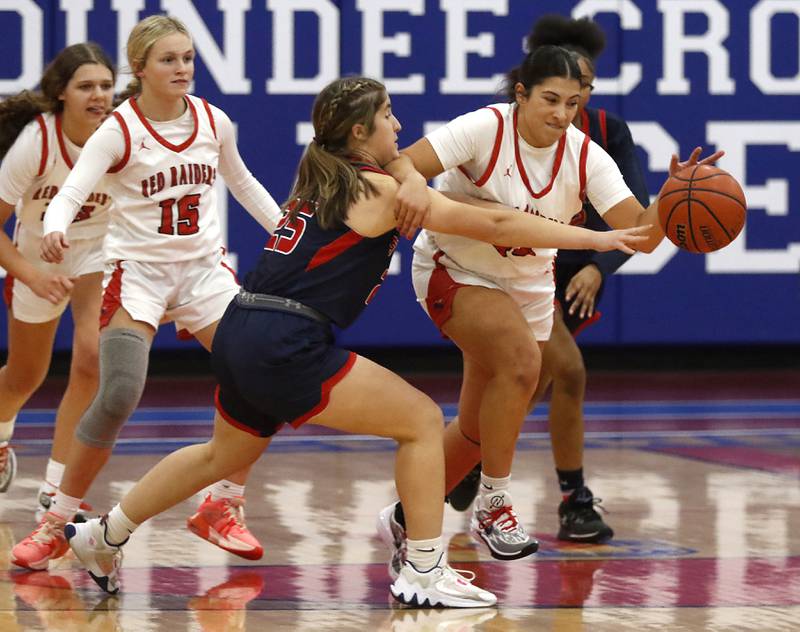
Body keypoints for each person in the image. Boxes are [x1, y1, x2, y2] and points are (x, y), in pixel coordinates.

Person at [62, 75, 646, 604]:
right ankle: (422, 569)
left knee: (224, 456)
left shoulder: (324, 177)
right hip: (284, 336)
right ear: (362, 131)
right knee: (419, 420)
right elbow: (493, 224)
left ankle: (103, 533)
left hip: (242, 323)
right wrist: (592, 240)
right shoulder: (376, 189)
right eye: (389, 115)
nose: (400, 125)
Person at [378, 44, 722, 564]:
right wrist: (414, 188)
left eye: (573, 104)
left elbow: (642, 236)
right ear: (522, 94)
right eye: (550, 100)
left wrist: (675, 198)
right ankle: (494, 503)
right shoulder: (485, 128)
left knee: (476, 431)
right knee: (522, 363)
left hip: (527, 287)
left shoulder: (585, 155)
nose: (562, 114)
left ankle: (405, 517)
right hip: (455, 271)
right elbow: (403, 163)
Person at [11, 15, 283, 570]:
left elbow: (245, 183)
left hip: (203, 275)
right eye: (169, 60)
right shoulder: (119, 128)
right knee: (116, 395)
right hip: (137, 275)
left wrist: (286, 234)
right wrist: (58, 223)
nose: (182, 67)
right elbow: (74, 187)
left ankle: (223, 504)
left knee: (264, 375)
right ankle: (57, 522)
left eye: (187, 57)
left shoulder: (213, 120)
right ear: (141, 69)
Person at [447, 14, 654, 544]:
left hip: (566, 270)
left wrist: (599, 265)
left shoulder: (601, 137)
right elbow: (415, 174)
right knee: (557, 372)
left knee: (527, 382)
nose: (571, 99)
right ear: (530, 87)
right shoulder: (492, 129)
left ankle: (470, 467)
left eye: (581, 89)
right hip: (501, 270)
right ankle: (571, 498)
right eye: (559, 90)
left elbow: (637, 223)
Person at [0, 43, 115, 520]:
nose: (99, 96)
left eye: (106, 86)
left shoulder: (121, 135)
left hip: (98, 250)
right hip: (36, 256)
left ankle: (55, 490)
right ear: (61, 94)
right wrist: (29, 274)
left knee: (91, 358)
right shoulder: (37, 143)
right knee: (26, 375)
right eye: (85, 86)